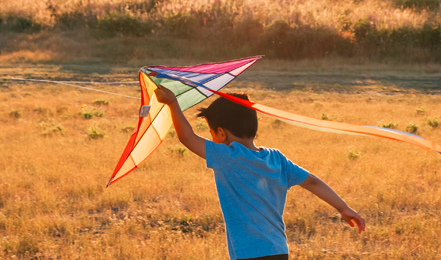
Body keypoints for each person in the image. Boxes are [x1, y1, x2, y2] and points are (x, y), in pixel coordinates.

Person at [154, 86, 365, 260]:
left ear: (221, 133)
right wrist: (343, 207)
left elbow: (187, 138)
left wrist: (173, 103)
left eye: (211, 134)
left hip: (248, 254)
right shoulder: (277, 158)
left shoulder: (228, 155)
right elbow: (312, 182)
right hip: (278, 250)